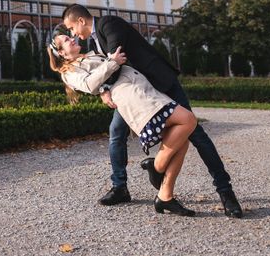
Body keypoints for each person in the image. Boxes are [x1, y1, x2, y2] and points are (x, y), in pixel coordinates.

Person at [61, 3, 244, 218]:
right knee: (116, 133)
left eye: (72, 28)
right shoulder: (94, 40)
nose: (73, 34)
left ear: (81, 21)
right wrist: (104, 89)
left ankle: (225, 192)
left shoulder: (109, 24)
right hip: (137, 92)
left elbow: (115, 61)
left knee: (196, 133)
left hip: (159, 83)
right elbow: (109, 68)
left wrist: (103, 86)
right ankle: (121, 187)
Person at [49, 30, 198, 216]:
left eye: (70, 36)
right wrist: (110, 69)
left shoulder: (93, 53)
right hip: (131, 95)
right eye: (66, 40)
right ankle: (142, 174)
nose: (72, 38)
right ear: (61, 53)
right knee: (184, 122)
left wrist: (105, 84)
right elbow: (89, 84)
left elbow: (107, 74)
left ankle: (164, 195)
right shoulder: (70, 71)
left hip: (141, 87)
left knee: (180, 139)